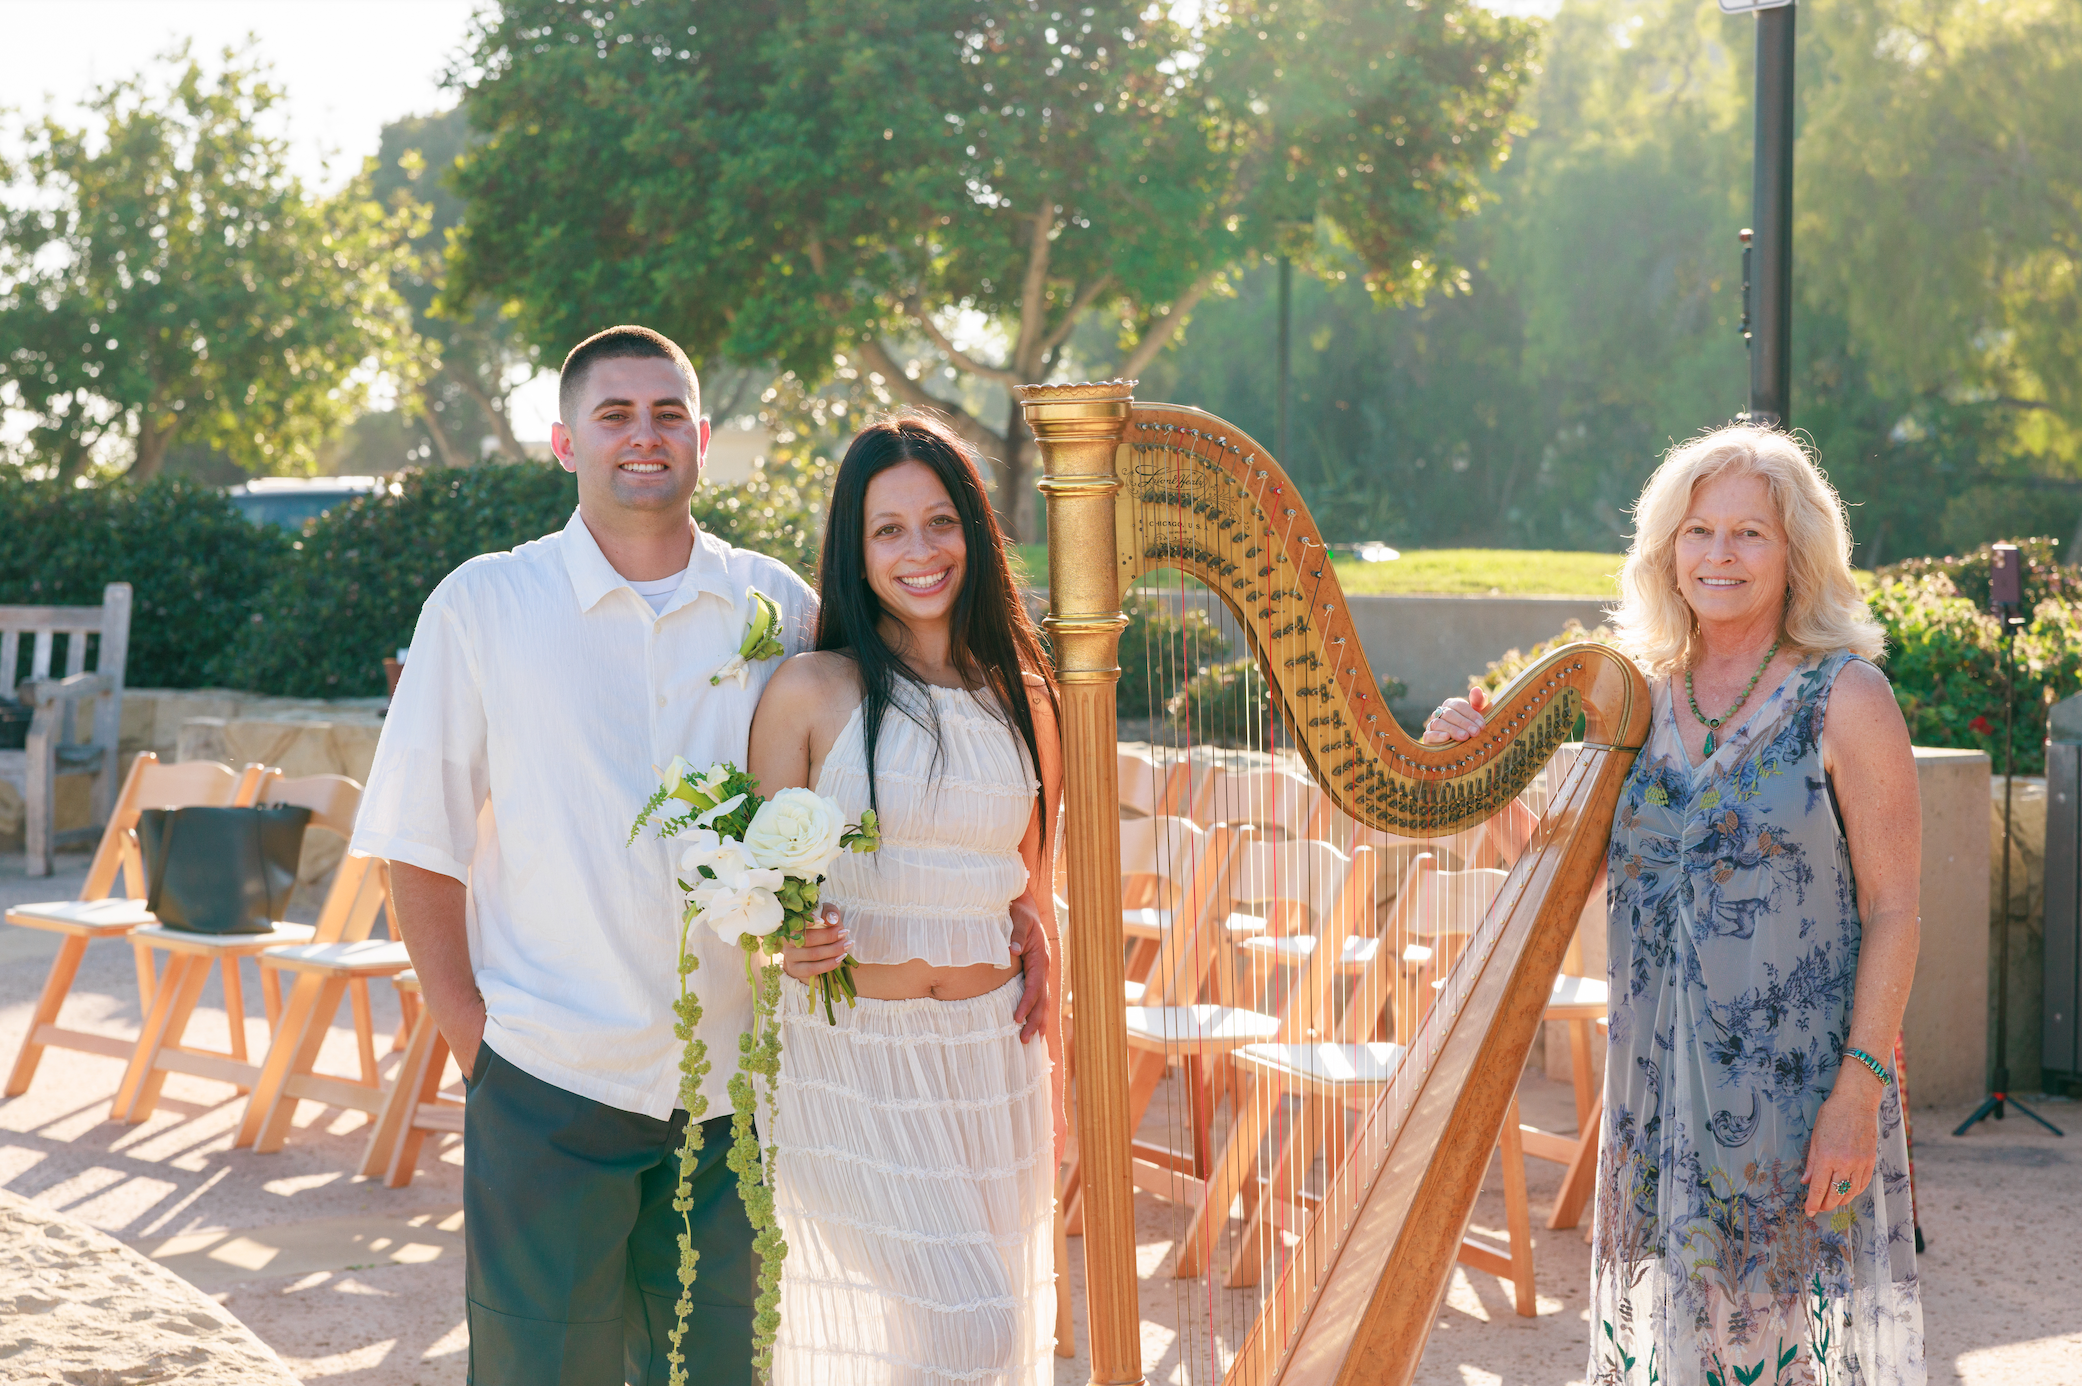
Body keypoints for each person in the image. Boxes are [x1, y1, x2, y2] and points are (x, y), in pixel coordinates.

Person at [1426, 426, 1923, 1386]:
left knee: (1778, 1352)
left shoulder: (1846, 697)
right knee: (1684, 1348)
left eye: (1749, 534)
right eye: (1698, 531)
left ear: (1796, 555)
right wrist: (1481, 773)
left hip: (1793, 1090)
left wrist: (1857, 1093)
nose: (1720, 555)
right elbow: (1571, 875)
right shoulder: (1637, 703)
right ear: (1667, 550)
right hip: (1655, 1089)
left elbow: (1896, 907)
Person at [748, 414, 1063, 1385]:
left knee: (947, 1342)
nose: (919, 551)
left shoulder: (1029, 696)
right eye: (888, 530)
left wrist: (1039, 931)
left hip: (989, 1061)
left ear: (975, 530)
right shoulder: (810, 689)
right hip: (852, 1065)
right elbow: (757, 903)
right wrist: (782, 943)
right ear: (856, 548)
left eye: (939, 522)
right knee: (972, 1331)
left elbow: (1028, 887)